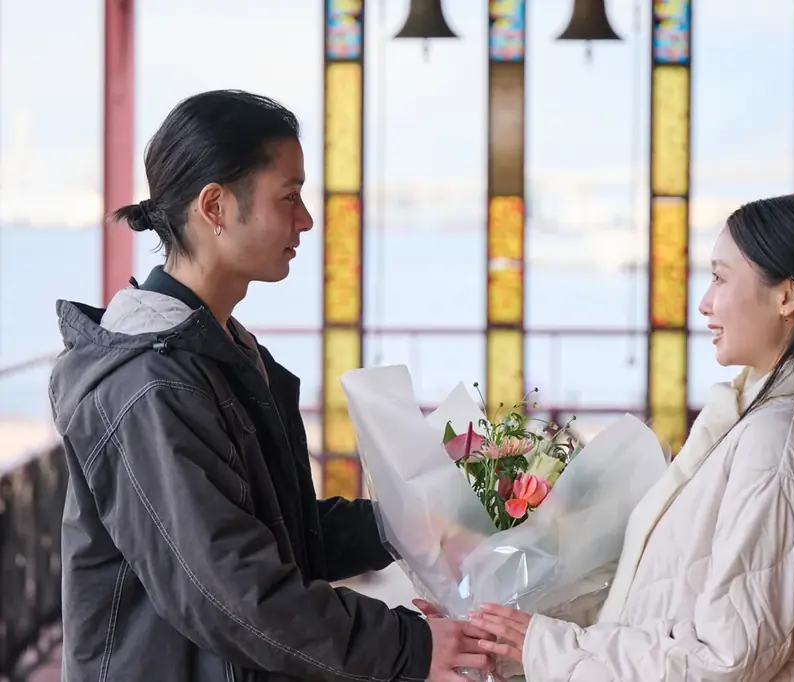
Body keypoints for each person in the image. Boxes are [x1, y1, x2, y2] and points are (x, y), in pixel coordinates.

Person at [49, 90, 492, 682]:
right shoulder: (151, 384)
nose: (305, 219)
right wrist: (409, 647)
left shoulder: (221, 352)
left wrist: (419, 520)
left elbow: (281, 533)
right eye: (289, 196)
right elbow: (232, 593)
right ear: (215, 206)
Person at [464, 194, 794, 681]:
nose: (704, 302)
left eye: (720, 277)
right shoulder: (752, 423)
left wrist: (546, 646)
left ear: (787, 297)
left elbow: (721, 661)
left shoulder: (781, 445)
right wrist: (502, 640)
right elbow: (659, 603)